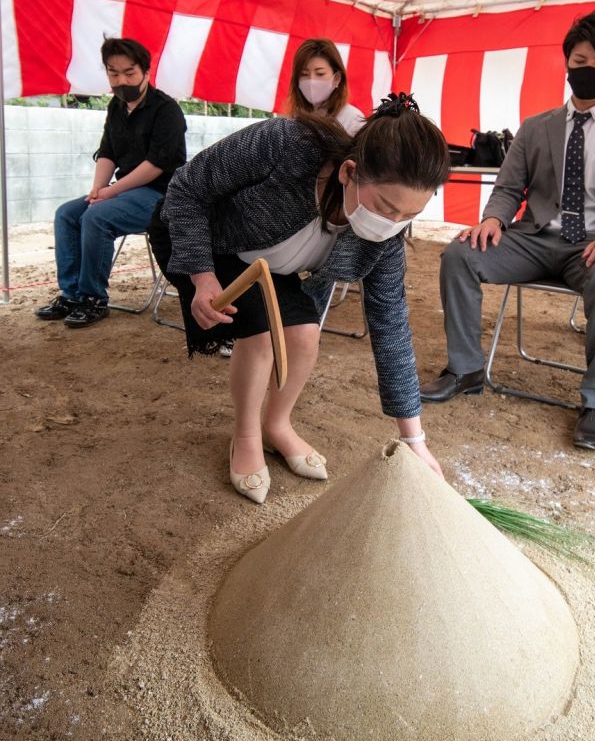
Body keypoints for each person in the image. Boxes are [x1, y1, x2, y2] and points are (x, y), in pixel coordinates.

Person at [149, 93, 450, 503]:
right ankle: (246, 436)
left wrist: (414, 439)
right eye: (385, 206)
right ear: (349, 172)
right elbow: (186, 190)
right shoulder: (286, 143)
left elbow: (391, 325)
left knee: (305, 334)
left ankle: (278, 426)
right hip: (205, 240)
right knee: (260, 334)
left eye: (408, 216)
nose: (391, 224)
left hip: (272, 268)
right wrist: (202, 278)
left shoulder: (385, 241)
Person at [420, 9, 595, 452]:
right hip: (534, 239)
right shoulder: (536, 127)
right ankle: (466, 368)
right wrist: (493, 218)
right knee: (459, 254)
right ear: (567, 60)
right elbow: (508, 187)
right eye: (580, 59)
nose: (587, 69)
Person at [35, 37, 187, 328]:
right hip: (125, 192)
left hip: (162, 196)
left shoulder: (166, 110)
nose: (121, 80)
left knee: (97, 216)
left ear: (146, 72)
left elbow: (156, 165)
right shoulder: (115, 108)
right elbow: (107, 152)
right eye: (113, 73)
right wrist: (97, 188)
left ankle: (93, 298)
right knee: (66, 214)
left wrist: (110, 192)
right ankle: (71, 294)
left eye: (129, 73)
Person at [285, 38, 366, 134]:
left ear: (337, 78)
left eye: (320, 74)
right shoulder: (293, 119)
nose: (312, 81)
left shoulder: (353, 119)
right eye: (304, 74)